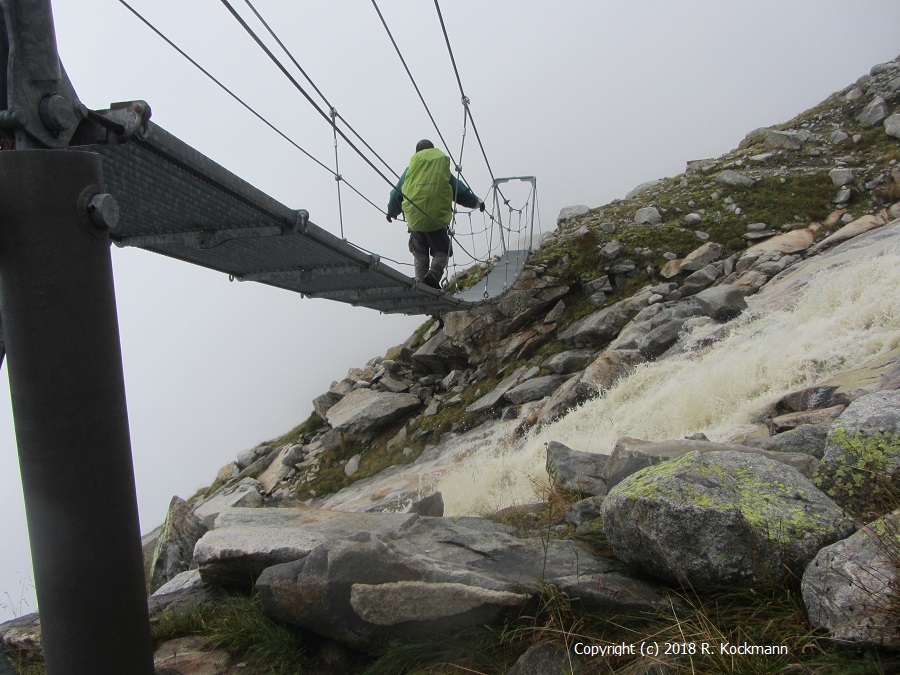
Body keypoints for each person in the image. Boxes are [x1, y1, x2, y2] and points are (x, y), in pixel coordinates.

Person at [386, 139, 484, 289]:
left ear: (417, 153)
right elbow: (460, 191)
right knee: (442, 251)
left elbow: (396, 194)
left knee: (420, 255)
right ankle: (433, 276)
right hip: (436, 219)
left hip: (415, 221)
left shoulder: (410, 170)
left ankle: (421, 286)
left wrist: (391, 212)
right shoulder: (441, 168)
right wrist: (477, 203)